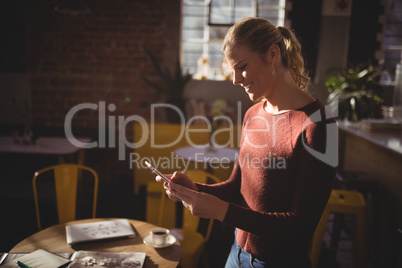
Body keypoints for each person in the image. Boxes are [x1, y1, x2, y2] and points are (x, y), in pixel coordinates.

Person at [156, 17, 337, 268]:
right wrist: (195, 190)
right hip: (236, 255)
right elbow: (236, 188)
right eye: (232, 69)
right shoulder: (253, 115)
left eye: (241, 66)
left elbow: (300, 227)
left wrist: (221, 211)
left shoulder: (319, 125)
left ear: (273, 54)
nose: (235, 79)